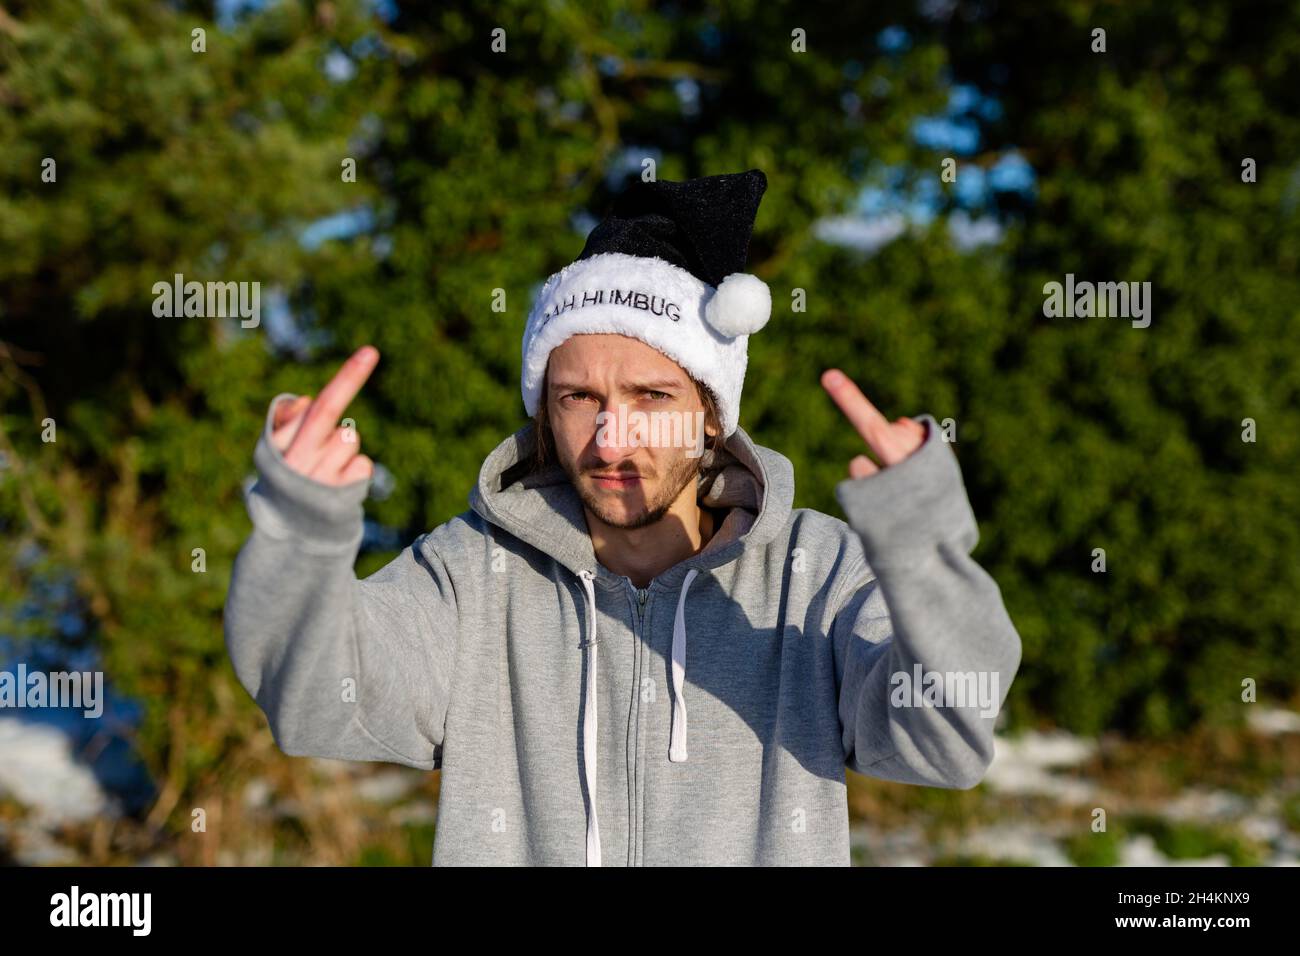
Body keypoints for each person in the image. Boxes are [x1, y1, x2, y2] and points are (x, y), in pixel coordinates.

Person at [223, 168, 1022, 866]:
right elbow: (317, 703)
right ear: (544, 409)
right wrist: (300, 529)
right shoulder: (473, 573)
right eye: (578, 398)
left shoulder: (816, 572)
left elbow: (946, 742)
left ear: (712, 415)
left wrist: (921, 548)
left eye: (652, 396)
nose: (612, 437)